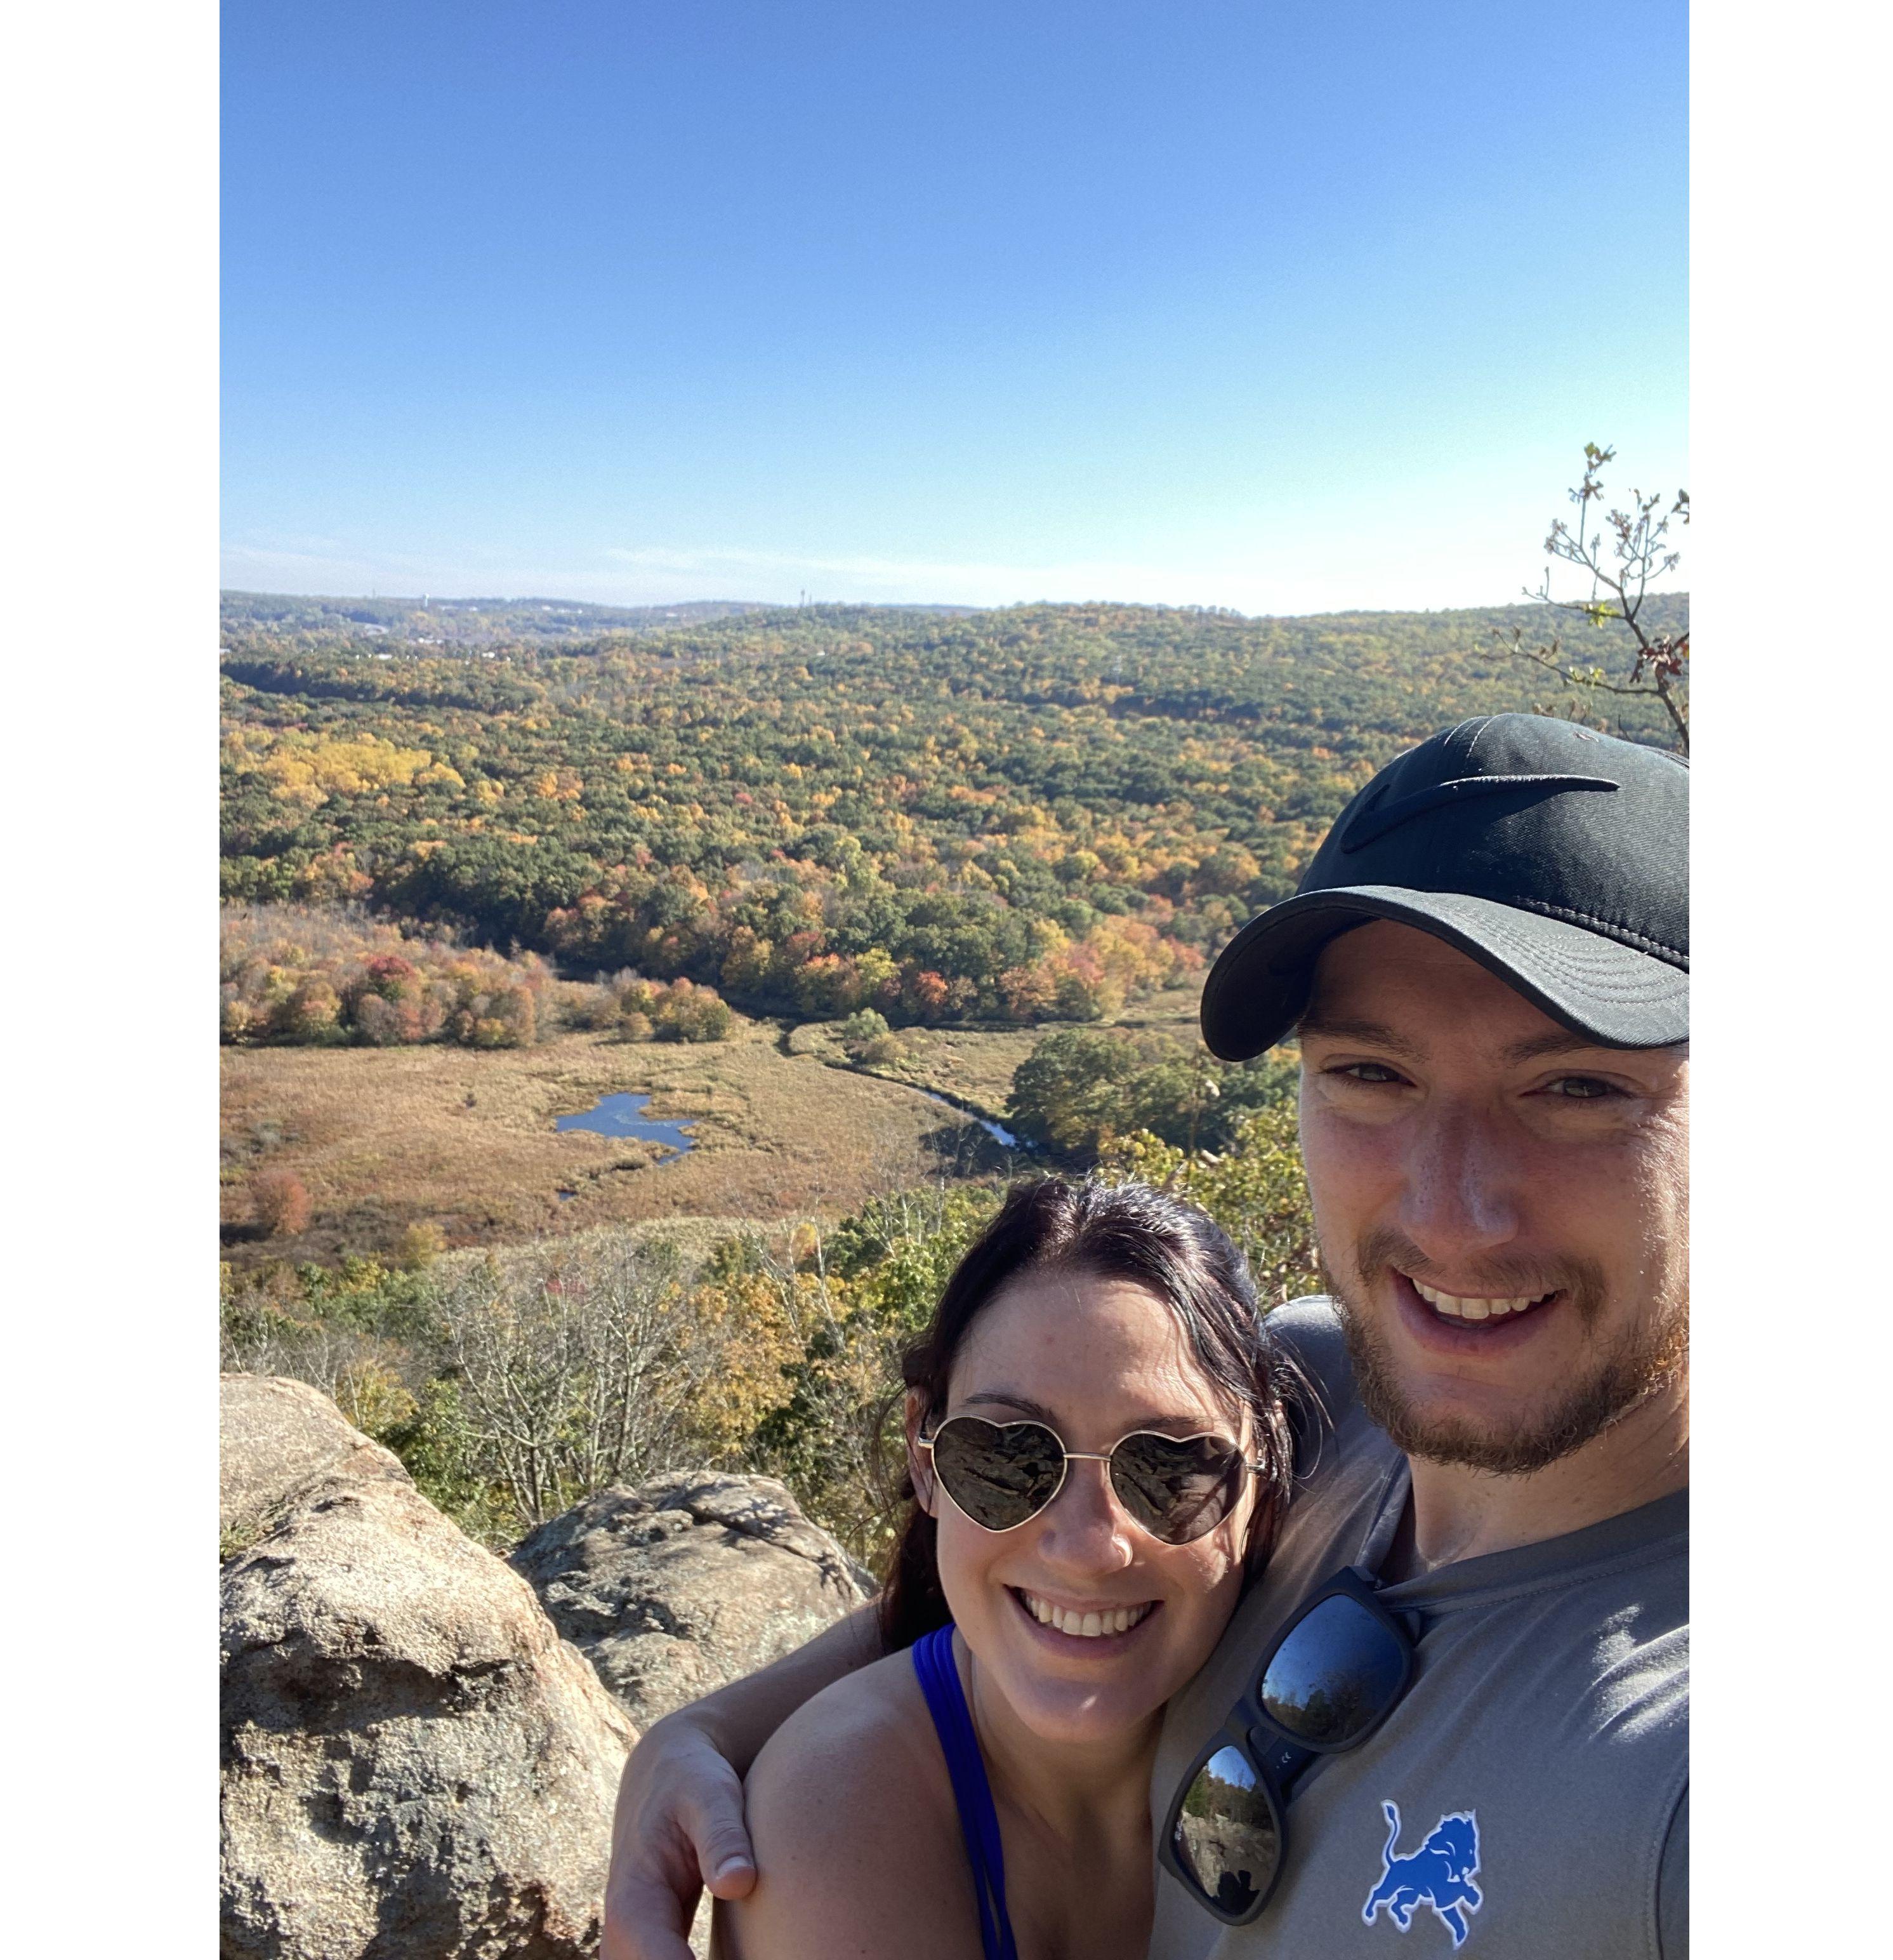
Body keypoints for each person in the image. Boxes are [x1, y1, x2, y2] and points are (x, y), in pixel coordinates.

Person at [604, 713, 1689, 1960]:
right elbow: (1054, 1556)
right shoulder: (1327, 1389)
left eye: (1577, 1088)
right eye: (1369, 1075)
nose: (1451, 1216)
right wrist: (708, 1732)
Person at [719, 1176, 1295, 1960]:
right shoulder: (835, 1818)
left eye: (1168, 1467)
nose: (1089, 1546)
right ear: (925, 1454)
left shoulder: (1337, 1650)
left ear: (1263, 1467)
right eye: (1008, 1454)